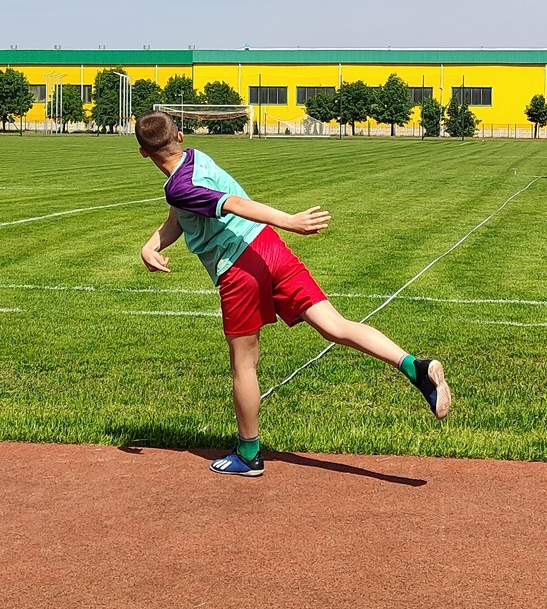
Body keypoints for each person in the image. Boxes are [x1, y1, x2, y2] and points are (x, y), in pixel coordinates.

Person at [134, 112, 450, 476]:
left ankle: (249, 454)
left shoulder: (177, 185)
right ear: (181, 135)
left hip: (240, 268)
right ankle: (415, 366)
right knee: (335, 325)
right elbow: (180, 215)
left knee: (244, 364)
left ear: (144, 153)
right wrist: (151, 244)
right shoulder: (195, 160)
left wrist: (290, 220)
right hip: (270, 249)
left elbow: (232, 205)